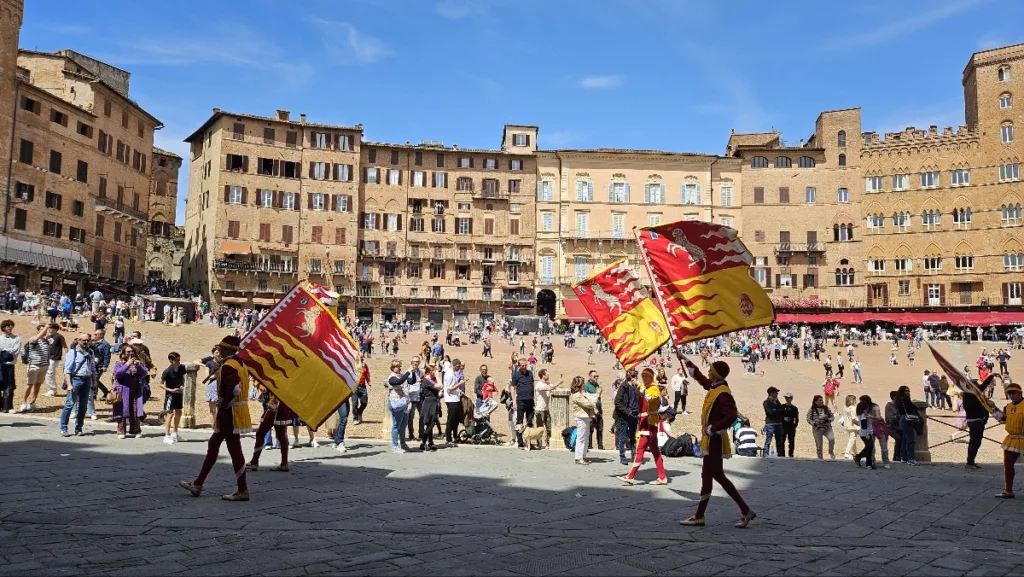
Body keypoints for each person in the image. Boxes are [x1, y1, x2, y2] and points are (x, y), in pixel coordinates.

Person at [680, 359, 755, 528]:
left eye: (710, 370)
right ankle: (703, 515)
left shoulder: (723, 393)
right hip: (711, 438)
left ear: (716, 374)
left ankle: (740, 510)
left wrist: (713, 428)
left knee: (715, 475)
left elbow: (731, 415)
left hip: (715, 439)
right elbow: (702, 380)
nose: (708, 372)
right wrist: (688, 362)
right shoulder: (716, 387)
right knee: (710, 476)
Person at [179, 335, 252, 501]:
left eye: (221, 348)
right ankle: (198, 483)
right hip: (234, 411)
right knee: (215, 444)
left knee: (234, 449)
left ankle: (242, 489)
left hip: (230, 413)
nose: (218, 350)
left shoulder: (228, 366)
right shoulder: (239, 363)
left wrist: (224, 402)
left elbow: (234, 389)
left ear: (227, 349)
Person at [619, 368, 668, 486]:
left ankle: (630, 476)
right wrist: (637, 384)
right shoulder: (645, 387)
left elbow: (653, 398)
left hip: (648, 423)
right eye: (643, 376)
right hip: (646, 422)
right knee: (655, 451)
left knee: (640, 450)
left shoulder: (654, 389)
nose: (644, 378)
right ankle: (662, 477)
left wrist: (643, 391)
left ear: (651, 377)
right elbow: (641, 388)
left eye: (646, 376)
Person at [59, 333, 96, 437]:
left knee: (83, 406)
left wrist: (94, 382)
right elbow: (67, 370)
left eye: (87, 340)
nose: (86, 342)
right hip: (76, 380)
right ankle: (64, 428)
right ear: (78, 341)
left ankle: (79, 428)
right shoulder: (73, 353)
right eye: (83, 340)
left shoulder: (91, 352)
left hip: (87, 380)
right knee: (70, 404)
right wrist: (69, 384)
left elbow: (92, 368)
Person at [247, 388, 292, 471]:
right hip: (281, 405)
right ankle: (284, 463)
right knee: (282, 435)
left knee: (261, 433)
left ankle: (254, 462)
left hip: (276, 405)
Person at [112, 345, 151, 439]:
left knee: (135, 411)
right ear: (124, 353)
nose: (130, 353)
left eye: (132, 351)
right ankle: (121, 430)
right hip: (122, 391)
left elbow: (145, 373)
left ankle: (135, 430)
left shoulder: (138, 363)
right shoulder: (119, 363)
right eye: (128, 352)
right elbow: (118, 374)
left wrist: (138, 365)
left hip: (135, 391)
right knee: (122, 411)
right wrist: (127, 364)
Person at [994, 382, 1024, 498]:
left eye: (1013, 393)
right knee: (1008, 464)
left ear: (1020, 393)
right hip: (1012, 439)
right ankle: (1008, 490)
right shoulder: (1008, 407)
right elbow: (1003, 419)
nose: (1011, 395)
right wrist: (992, 407)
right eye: (1009, 393)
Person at [18, 324, 50, 412]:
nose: (44, 331)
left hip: (44, 366)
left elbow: (47, 353)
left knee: (38, 385)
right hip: (34, 365)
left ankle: (32, 402)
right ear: (38, 331)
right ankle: (24, 403)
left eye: (45, 330)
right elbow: (36, 339)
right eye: (42, 330)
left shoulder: (47, 341)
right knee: (29, 384)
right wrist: (46, 327)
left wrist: (48, 363)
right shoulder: (33, 339)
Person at [613, 370, 640, 465]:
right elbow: (617, 402)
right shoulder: (623, 387)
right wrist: (627, 411)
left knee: (632, 436)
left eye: (636, 376)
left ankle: (634, 455)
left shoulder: (636, 387)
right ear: (630, 376)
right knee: (623, 437)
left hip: (634, 414)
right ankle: (622, 456)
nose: (635, 378)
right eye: (634, 376)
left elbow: (638, 400)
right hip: (624, 415)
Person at [570, 376, 596, 465]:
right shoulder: (577, 395)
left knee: (585, 437)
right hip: (581, 417)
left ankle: (583, 456)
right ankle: (578, 457)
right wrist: (593, 401)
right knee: (581, 438)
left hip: (586, 417)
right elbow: (588, 404)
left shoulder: (581, 393)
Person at [161, 352, 186, 444]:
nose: (178, 362)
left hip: (178, 393)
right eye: (176, 360)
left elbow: (182, 378)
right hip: (170, 395)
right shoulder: (167, 371)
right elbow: (161, 384)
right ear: (171, 361)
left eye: (179, 360)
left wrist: (182, 386)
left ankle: (174, 433)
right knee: (170, 414)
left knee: (179, 412)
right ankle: (166, 436)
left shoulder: (182, 368)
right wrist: (170, 390)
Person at [962, 385, 988, 471]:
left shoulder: (966, 396)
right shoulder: (971, 396)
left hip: (971, 421)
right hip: (977, 422)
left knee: (972, 442)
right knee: (975, 443)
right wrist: (991, 376)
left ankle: (970, 462)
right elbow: (982, 387)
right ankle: (970, 463)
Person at [387, 359, 412, 453]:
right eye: (398, 366)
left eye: (400, 366)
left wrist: (412, 372)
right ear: (393, 367)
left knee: (403, 424)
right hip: (396, 402)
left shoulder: (401, 375)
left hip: (404, 402)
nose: (400, 368)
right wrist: (408, 371)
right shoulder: (391, 377)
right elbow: (399, 382)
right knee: (396, 425)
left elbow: (411, 381)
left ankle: (403, 443)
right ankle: (394, 445)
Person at [511, 356, 535, 448]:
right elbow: (513, 388)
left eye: (525, 365)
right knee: (519, 422)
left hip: (530, 400)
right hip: (520, 400)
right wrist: (514, 401)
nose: (524, 367)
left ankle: (529, 442)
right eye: (522, 366)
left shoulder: (530, 373)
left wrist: (534, 398)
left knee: (530, 422)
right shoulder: (516, 375)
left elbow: (532, 385)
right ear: (519, 366)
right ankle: (520, 442)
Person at [442, 358, 465, 447]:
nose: (459, 368)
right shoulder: (450, 375)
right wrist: (460, 384)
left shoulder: (452, 373)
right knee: (451, 419)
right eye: (458, 367)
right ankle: (448, 438)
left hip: (456, 398)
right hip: (451, 400)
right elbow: (449, 389)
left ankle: (455, 436)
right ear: (454, 365)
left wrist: (459, 391)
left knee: (455, 420)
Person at [895, 385, 921, 466]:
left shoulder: (899, 399)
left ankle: (904, 457)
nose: (908, 392)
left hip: (903, 419)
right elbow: (912, 407)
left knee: (905, 439)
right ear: (903, 392)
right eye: (906, 391)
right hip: (908, 419)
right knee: (911, 440)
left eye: (909, 391)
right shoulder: (905, 399)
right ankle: (911, 459)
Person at [418, 364, 441, 451]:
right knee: (431, 422)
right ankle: (423, 441)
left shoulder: (430, 380)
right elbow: (440, 386)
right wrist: (438, 376)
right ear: (431, 371)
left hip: (433, 402)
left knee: (430, 422)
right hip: (429, 402)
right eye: (434, 370)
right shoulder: (427, 380)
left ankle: (430, 442)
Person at [0, 320, 21, 413]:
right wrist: (6, 352)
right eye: (8, 326)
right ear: (3, 327)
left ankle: (8, 406)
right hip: (1, 364)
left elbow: (15, 350)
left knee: (10, 385)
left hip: (10, 365)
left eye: (11, 325)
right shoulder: (0, 338)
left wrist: (5, 352)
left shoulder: (17, 338)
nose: (10, 327)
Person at [534, 368, 560, 444]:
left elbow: (553, 387)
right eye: (547, 373)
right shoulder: (539, 384)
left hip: (546, 409)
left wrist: (557, 385)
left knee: (549, 428)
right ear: (543, 375)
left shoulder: (548, 383)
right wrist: (559, 382)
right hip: (539, 410)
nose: (548, 375)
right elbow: (548, 388)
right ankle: (539, 443)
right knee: (540, 429)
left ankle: (548, 443)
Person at [806, 394, 836, 460]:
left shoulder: (827, 408)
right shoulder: (812, 409)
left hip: (827, 428)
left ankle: (831, 452)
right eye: (820, 400)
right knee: (819, 445)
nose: (822, 401)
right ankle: (820, 458)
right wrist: (814, 423)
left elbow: (832, 417)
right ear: (815, 401)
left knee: (831, 439)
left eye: (822, 400)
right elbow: (808, 419)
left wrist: (828, 420)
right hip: (817, 429)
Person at [853, 395, 878, 469]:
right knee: (869, 448)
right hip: (866, 433)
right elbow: (864, 426)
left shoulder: (863, 414)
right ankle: (868, 463)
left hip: (865, 433)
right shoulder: (864, 415)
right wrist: (867, 434)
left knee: (869, 447)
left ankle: (859, 457)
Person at [43, 323, 68, 397]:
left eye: (51, 328)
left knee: (50, 372)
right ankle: (52, 389)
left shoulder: (59, 337)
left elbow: (65, 346)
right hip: (48, 357)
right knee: (50, 373)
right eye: (49, 328)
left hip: (55, 357)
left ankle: (52, 390)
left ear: (56, 329)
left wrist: (67, 356)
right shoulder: (47, 337)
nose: (49, 329)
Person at [762, 387, 785, 458]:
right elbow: (770, 412)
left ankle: (780, 455)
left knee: (779, 441)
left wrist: (776, 410)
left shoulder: (777, 402)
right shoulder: (766, 402)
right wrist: (777, 410)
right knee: (768, 440)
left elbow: (782, 410)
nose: (777, 394)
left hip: (778, 424)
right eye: (776, 392)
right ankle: (766, 454)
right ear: (771, 393)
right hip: (770, 424)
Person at [584, 370, 605, 450]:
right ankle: (589, 445)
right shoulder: (587, 386)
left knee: (600, 428)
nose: (596, 378)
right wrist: (598, 393)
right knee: (590, 428)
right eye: (594, 376)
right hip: (591, 410)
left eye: (597, 376)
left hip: (598, 410)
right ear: (590, 377)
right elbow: (589, 398)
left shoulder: (596, 384)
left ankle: (600, 445)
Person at [352, 354, 370, 425]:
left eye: (362, 357)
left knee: (364, 402)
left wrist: (369, 383)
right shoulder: (353, 365)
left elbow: (367, 375)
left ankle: (359, 412)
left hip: (363, 386)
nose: (362, 358)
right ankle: (355, 418)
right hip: (354, 386)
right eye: (360, 357)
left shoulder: (364, 365)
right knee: (354, 403)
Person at [780, 392, 799, 458]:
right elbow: (779, 416)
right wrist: (783, 419)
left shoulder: (794, 408)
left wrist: (795, 425)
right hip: (783, 426)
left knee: (791, 441)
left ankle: (791, 454)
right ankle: (782, 454)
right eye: (786, 397)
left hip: (791, 427)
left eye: (788, 398)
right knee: (782, 441)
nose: (787, 399)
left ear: (791, 398)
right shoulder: (782, 407)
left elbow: (796, 418)